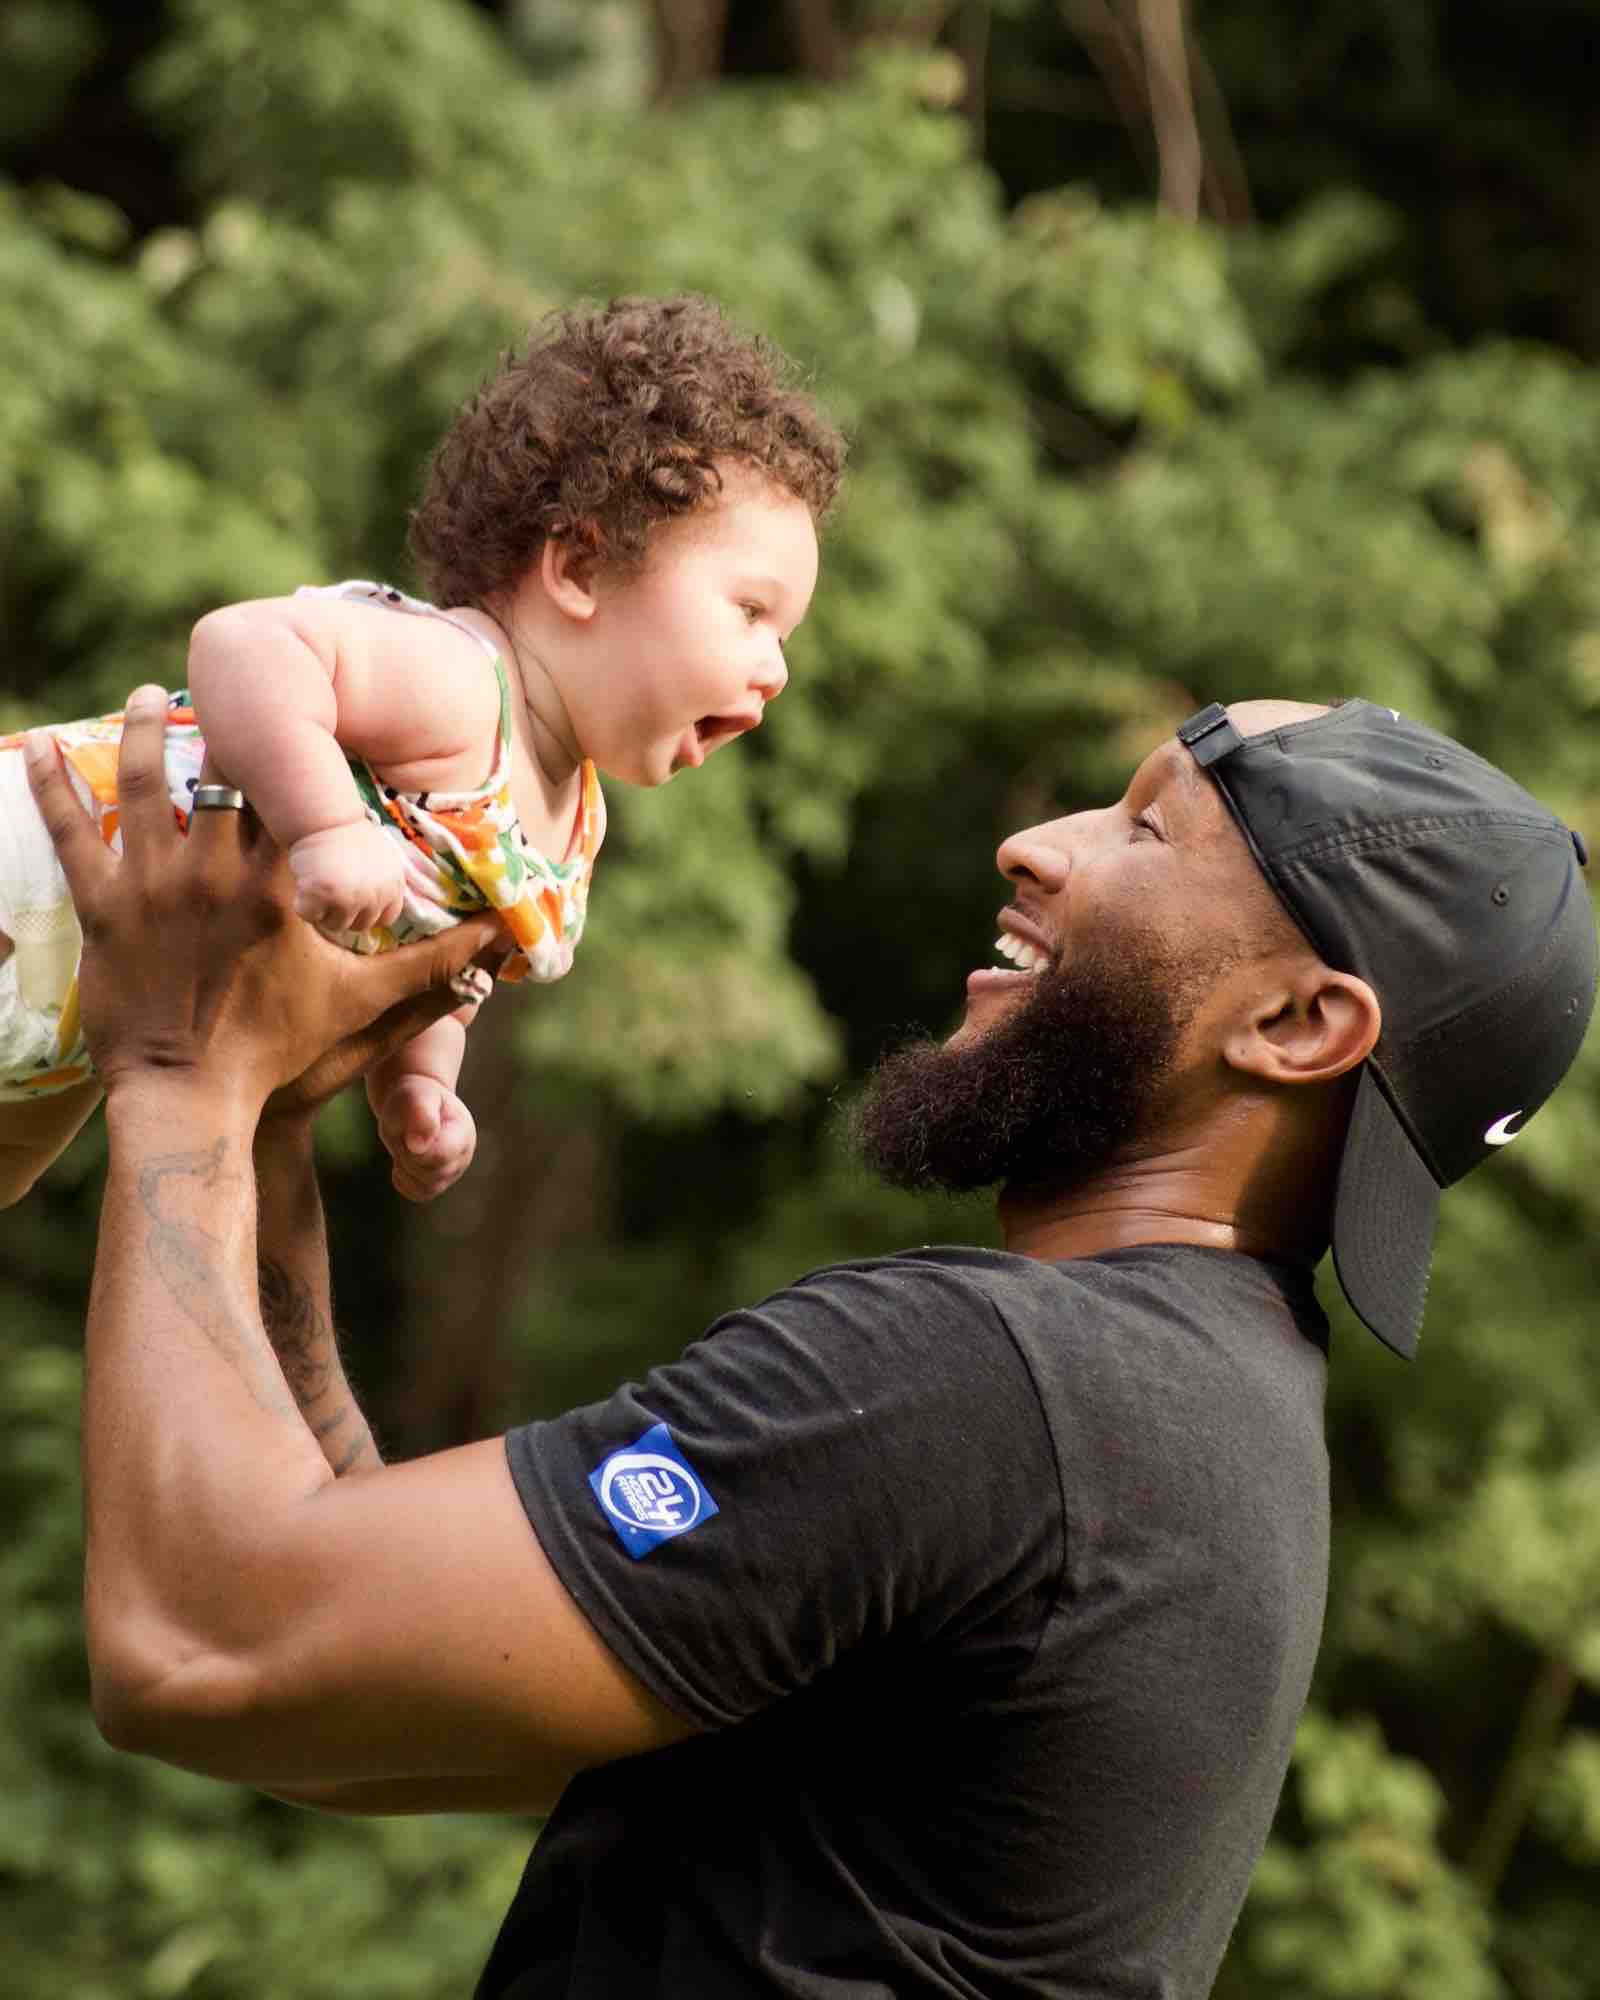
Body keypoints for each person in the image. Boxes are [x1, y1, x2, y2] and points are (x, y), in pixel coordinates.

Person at [25, 690, 1594, 1999]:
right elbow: (348, 1685)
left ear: (1300, 1029)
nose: (1033, 844)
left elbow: (202, 1648)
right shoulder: (1209, 1424)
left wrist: (168, 1063)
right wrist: (270, 1114)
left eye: (1145, 829)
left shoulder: (992, 1389)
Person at [0, 294, 840, 1206]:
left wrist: (418, 1085)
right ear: (582, 568)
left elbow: (437, 962)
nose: (775, 670)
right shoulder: (460, 678)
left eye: (785, 634)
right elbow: (243, 646)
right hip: (37, 868)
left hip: (89, 1015)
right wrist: (325, 826)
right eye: (751, 612)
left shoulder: (570, 824)